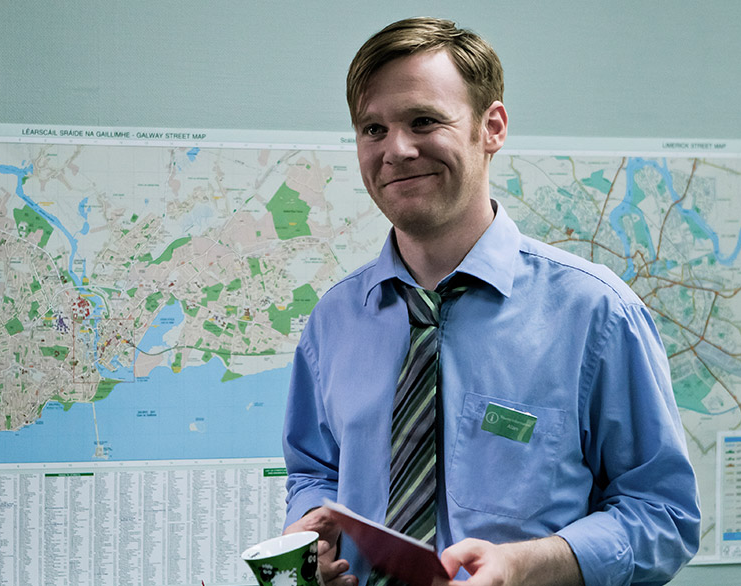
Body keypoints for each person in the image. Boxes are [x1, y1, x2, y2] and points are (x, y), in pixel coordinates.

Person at [282, 16, 700, 586]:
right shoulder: (334, 319)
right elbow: (315, 473)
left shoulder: (596, 314)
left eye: (424, 121)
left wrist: (528, 565)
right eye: (373, 129)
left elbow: (664, 516)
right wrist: (311, 537)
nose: (396, 150)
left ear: (492, 127)